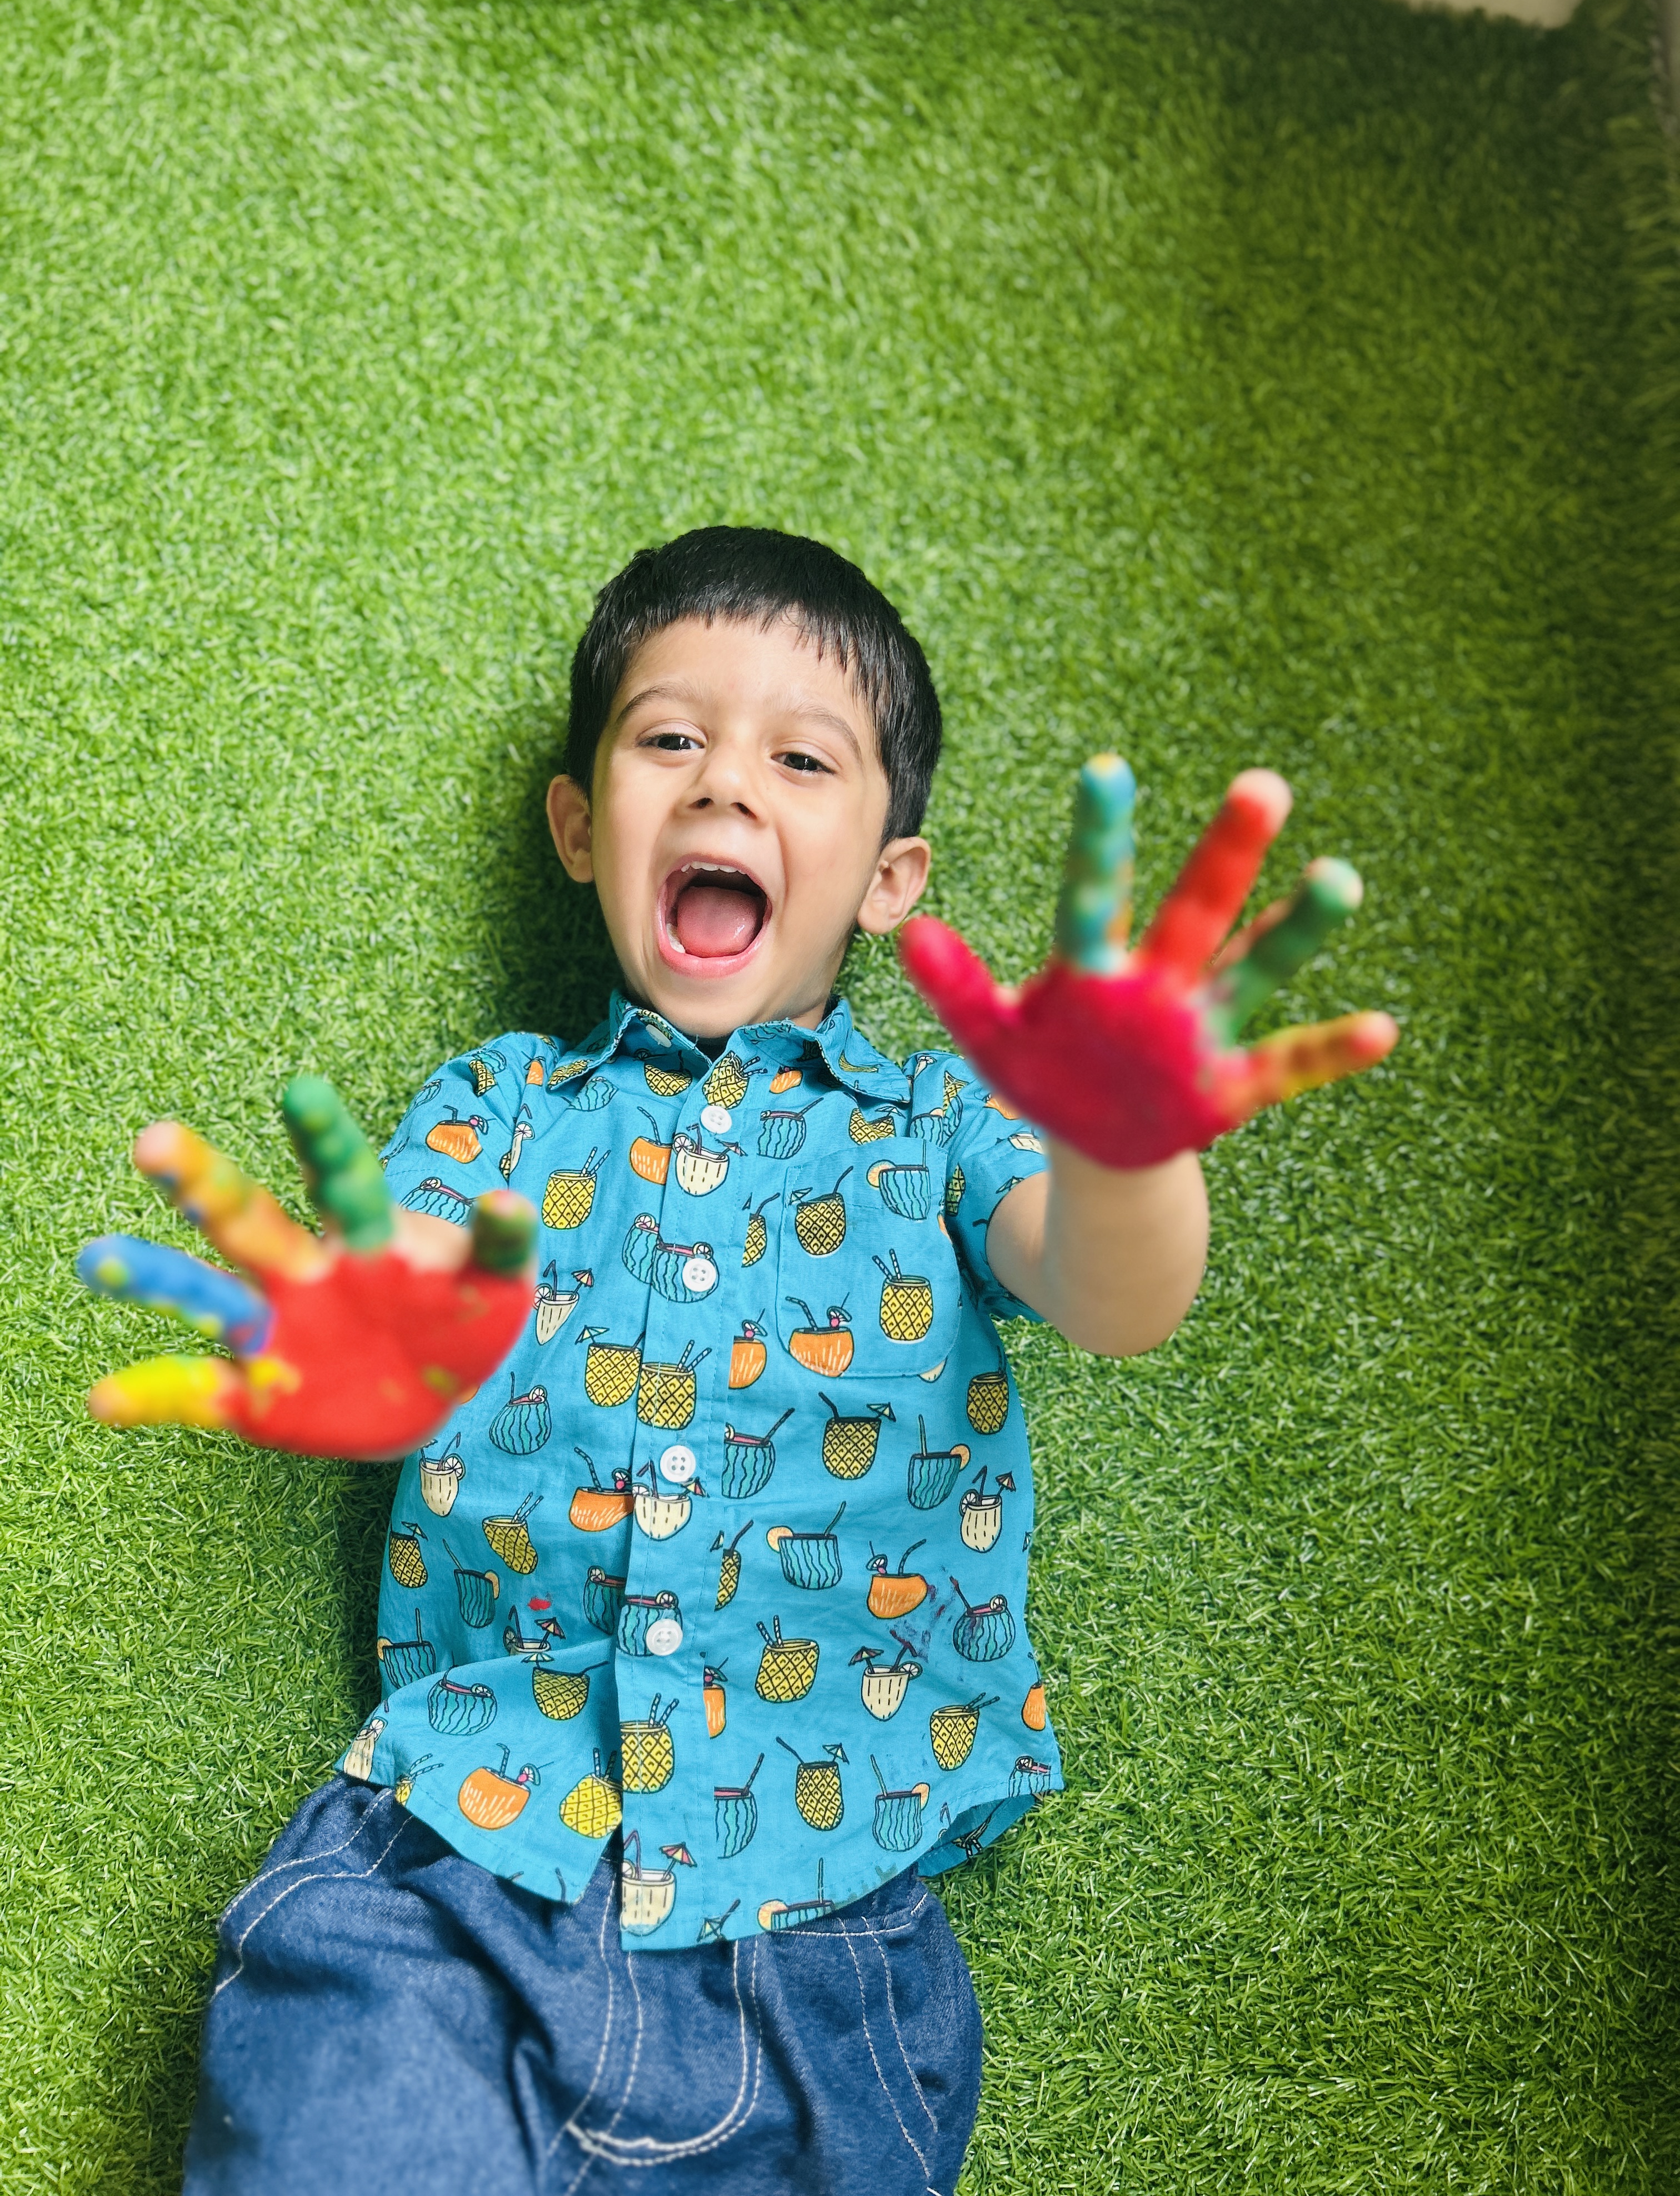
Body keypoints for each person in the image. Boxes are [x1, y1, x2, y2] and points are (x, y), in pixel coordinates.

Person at [78, 527, 1397, 2193]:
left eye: (799, 759)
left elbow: (1110, 1293)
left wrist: (1130, 1151)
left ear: (890, 879)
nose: (722, 792)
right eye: (669, 740)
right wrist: (384, 1346)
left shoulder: (937, 1129)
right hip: (454, 1884)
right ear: (580, 826)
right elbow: (414, 1278)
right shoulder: (499, 1106)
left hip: (825, 1966)